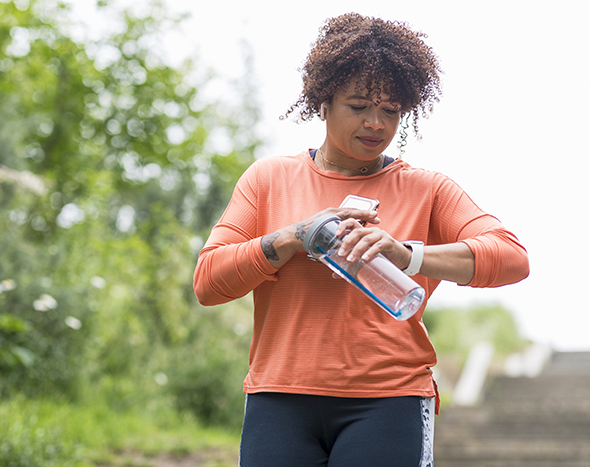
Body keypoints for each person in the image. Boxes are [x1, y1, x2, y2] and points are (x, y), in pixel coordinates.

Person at [193, 12, 529, 467]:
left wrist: (406, 254)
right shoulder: (268, 180)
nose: (376, 123)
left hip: (389, 401)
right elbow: (209, 282)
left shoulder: (426, 188)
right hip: (279, 396)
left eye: (390, 110)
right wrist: (293, 237)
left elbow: (511, 258)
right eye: (358, 106)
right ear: (323, 102)